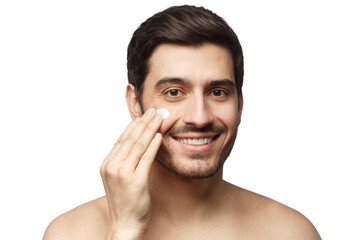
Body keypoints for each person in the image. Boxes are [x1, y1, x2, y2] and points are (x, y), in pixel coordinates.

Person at [43, 5, 321, 240]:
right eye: (174, 92)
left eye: (218, 92)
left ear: (240, 104)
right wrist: (124, 230)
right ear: (134, 104)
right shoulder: (72, 232)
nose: (199, 117)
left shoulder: (290, 232)